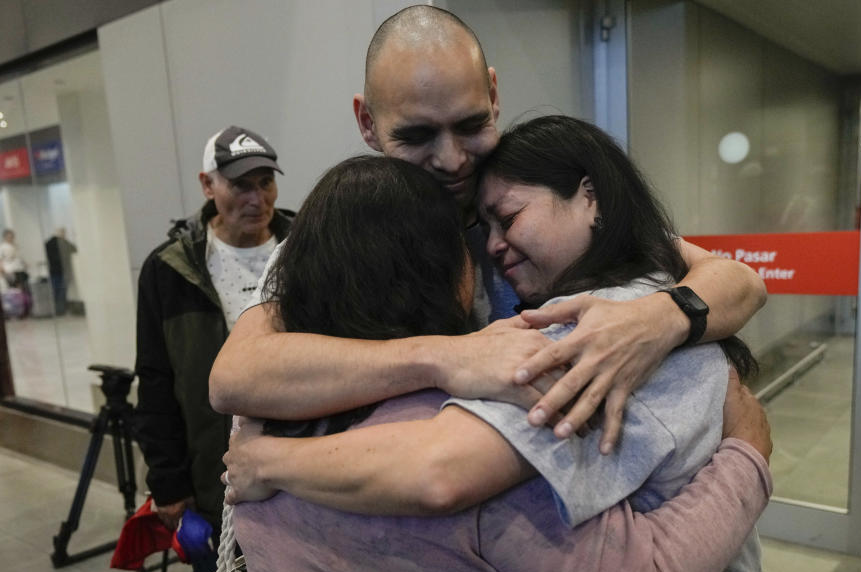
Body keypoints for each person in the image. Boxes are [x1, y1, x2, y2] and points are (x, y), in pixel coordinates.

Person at [228, 154, 775, 572]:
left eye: (506, 219)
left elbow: (732, 278)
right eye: (474, 236)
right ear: (449, 273)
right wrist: (747, 457)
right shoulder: (483, 434)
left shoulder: (267, 412)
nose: (492, 249)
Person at [208, 5, 768, 454]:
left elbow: (738, 280)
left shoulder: (524, 198)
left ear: (494, 95)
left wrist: (658, 319)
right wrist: (442, 358)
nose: (453, 161)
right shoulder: (345, 236)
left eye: (472, 124)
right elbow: (236, 376)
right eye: (419, 136)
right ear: (367, 123)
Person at [133, 125, 294, 572]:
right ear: (208, 185)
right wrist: (169, 486)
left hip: (301, 480)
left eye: (265, 182)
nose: (256, 198)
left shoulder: (309, 248)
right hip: (214, 490)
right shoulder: (169, 270)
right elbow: (156, 381)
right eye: (240, 184)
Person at [44, 227, 77, 316]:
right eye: (63, 232)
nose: (64, 234)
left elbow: (74, 249)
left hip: (59, 271)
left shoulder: (62, 243)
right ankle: (58, 310)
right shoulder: (53, 243)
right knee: (58, 291)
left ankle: (60, 310)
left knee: (60, 291)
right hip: (57, 271)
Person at [1, 229, 32, 318]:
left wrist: (25, 264)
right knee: (15, 291)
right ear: (5, 237)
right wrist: (2, 270)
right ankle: (16, 311)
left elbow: (20, 257)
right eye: (9, 236)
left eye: (12, 236)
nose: (11, 238)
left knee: (23, 289)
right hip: (10, 270)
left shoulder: (16, 246)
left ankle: (24, 309)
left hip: (19, 269)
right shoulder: (3, 247)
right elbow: (1, 260)